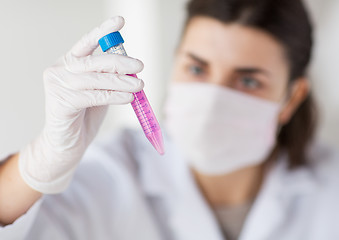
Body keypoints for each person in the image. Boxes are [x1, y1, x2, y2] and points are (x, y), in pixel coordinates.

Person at [1, 0, 339, 239]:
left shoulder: (330, 189)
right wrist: (38, 164)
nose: (212, 100)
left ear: (292, 97)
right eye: (196, 68)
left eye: (248, 81)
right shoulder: (113, 174)